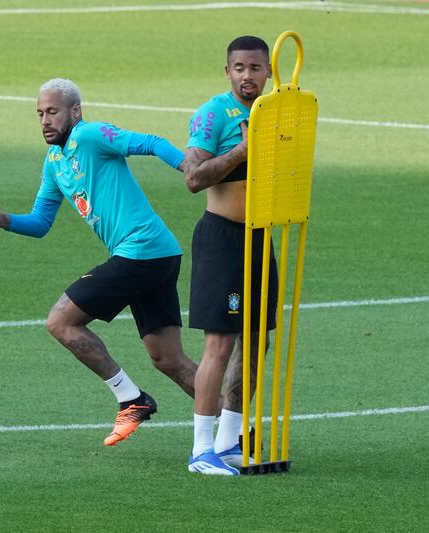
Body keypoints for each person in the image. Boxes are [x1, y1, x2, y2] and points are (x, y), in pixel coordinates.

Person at [0, 78, 205, 447]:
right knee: (168, 358)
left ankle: (131, 399)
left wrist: (187, 169)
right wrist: (5, 220)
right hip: (157, 255)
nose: (45, 120)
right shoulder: (54, 163)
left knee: (60, 321)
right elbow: (41, 222)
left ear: (74, 112)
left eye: (52, 111)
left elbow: (151, 142)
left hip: (141, 251)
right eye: (40, 114)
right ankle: (236, 427)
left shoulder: (92, 136)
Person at [182, 36, 279, 475]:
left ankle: (228, 441)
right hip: (222, 239)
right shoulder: (213, 114)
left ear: (269, 72)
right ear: (227, 72)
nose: (247, 76)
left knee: (256, 343)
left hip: (260, 238)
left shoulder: (278, 113)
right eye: (239, 68)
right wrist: (242, 150)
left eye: (255, 68)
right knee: (219, 344)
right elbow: (194, 178)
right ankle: (200, 451)